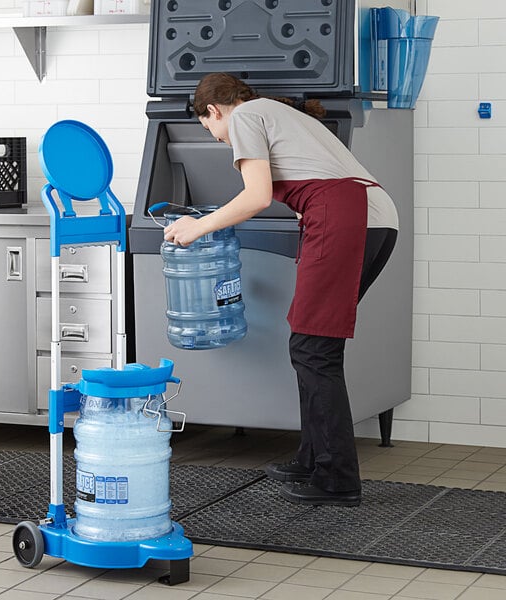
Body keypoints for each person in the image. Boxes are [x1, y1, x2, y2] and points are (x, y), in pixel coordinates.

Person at [163, 72, 399, 507]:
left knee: (314, 350)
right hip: (367, 217)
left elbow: (256, 197)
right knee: (310, 344)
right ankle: (314, 458)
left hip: (346, 217)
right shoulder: (277, 111)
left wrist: (198, 227)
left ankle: (336, 478)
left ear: (214, 110)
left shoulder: (249, 114)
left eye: (209, 129)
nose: (217, 139)